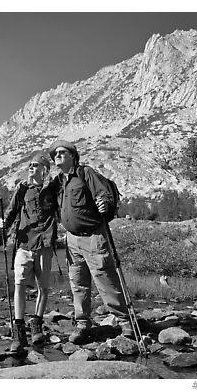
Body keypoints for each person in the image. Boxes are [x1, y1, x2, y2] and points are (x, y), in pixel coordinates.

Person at [48, 140, 132, 344]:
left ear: (73, 156)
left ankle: (125, 322)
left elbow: (102, 194)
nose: (57, 156)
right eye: (54, 154)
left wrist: (105, 203)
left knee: (105, 280)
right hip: (71, 240)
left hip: (93, 237)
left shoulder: (86, 173)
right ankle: (82, 324)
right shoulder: (59, 181)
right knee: (78, 283)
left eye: (61, 152)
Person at [0, 152, 59, 352]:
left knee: (43, 287)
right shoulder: (22, 189)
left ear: (45, 169)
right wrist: (3, 224)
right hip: (24, 245)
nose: (30, 168)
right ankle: (19, 331)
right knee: (20, 285)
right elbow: (12, 211)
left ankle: (37, 324)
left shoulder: (53, 189)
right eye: (29, 165)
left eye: (34, 165)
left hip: (46, 244)